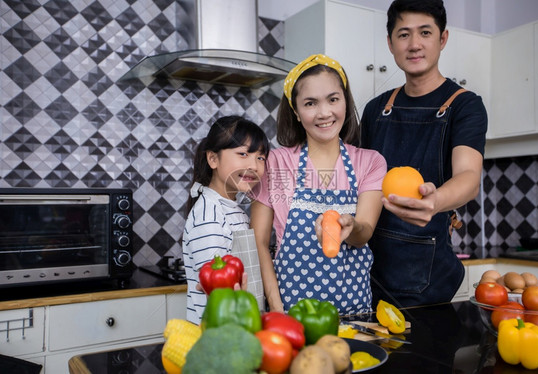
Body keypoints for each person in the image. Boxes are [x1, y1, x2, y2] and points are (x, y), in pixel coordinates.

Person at [361, 0, 488, 307]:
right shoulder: (376, 109)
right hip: (369, 274)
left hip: (429, 280)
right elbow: (360, 182)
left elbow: (469, 178)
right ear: (390, 44)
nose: (414, 44)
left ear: (442, 39)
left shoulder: (465, 105)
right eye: (403, 34)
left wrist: (434, 202)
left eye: (425, 33)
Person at [251, 54, 387, 315]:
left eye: (333, 99)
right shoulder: (275, 163)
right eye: (310, 103)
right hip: (291, 315)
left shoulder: (370, 163)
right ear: (297, 112)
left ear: (345, 102)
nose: (324, 113)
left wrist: (352, 225)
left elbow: (364, 233)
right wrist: (276, 304)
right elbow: (258, 242)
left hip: (355, 315)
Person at [182, 115, 269, 324]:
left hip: (239, 327)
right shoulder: (209, 216)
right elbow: (218, 294)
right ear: (213, 159)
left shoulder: (232, 208)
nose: (254, 166)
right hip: (219, 334)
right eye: (243, 154)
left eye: (260, 157)